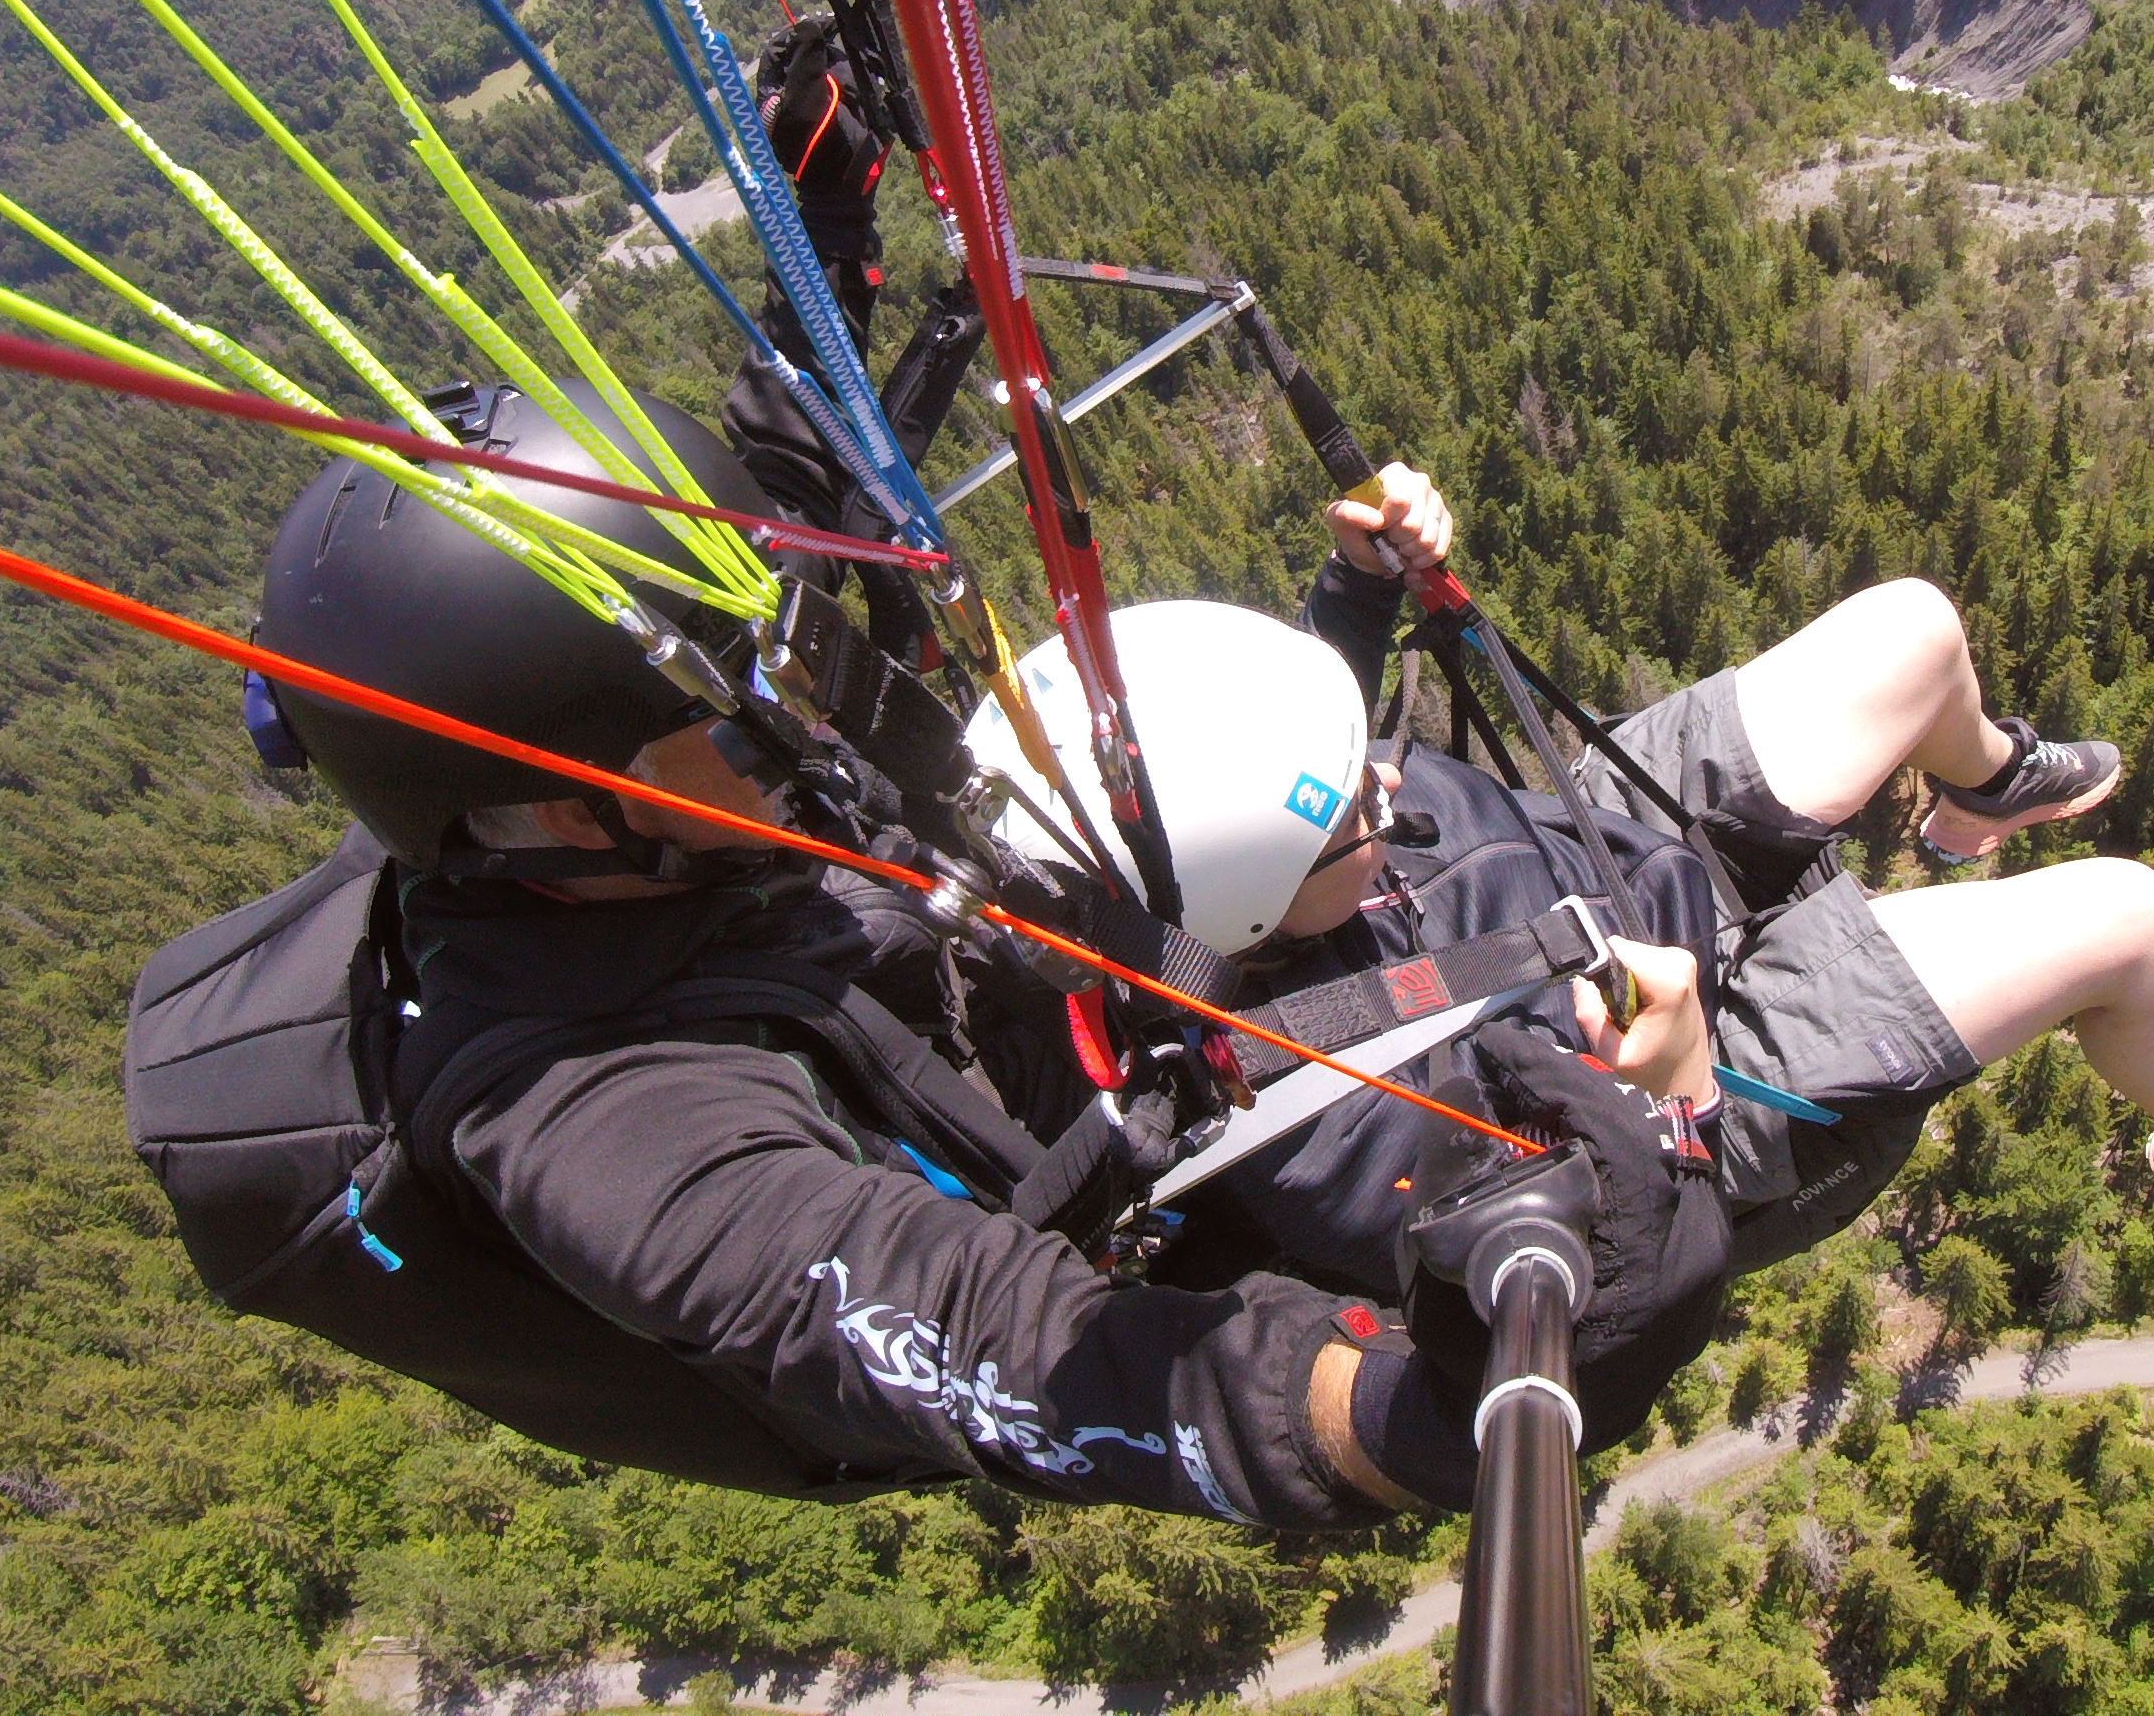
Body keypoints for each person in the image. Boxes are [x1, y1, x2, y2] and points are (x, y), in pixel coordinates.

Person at [215, 384, 1731, 1528]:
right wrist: (1412, 1411)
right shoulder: (596, 1127)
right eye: (735, 714)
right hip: (1199, 1173)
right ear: (575, 805)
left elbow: (800, 435)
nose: (799, 718)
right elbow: (966, 1325)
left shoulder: (691, 793)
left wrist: (823, 166)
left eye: (784, 656)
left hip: (1164, 996)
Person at [976, 465, 2154, 1303]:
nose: (1391, 783)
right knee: (2136, 922)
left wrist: (1355, 594)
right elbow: (1602, 1265)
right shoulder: (1317, 1136)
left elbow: (1282, 785)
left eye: (1362, 757)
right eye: (1357, 808)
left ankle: (1979, 784)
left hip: (1597, 849)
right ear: (1253, 906)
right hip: (1703, 1065)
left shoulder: (1176, 863)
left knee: (1916, 628)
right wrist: (1669, 1089)